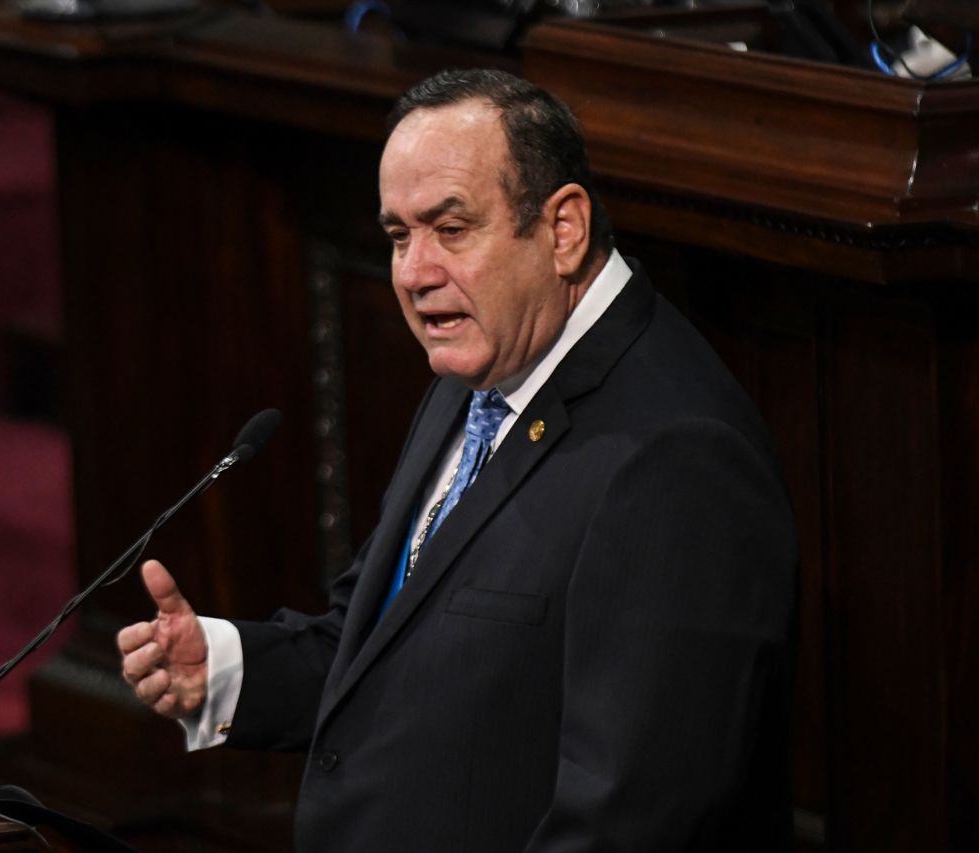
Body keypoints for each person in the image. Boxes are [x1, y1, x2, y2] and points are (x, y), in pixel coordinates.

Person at [118, 68, 797, 851]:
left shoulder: (679, 458)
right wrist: (228, 668)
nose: (412, 273)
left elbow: (633, 818)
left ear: (563, 229)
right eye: (399, 235)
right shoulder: (485, 365)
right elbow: (380, 642)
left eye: (450, 227)